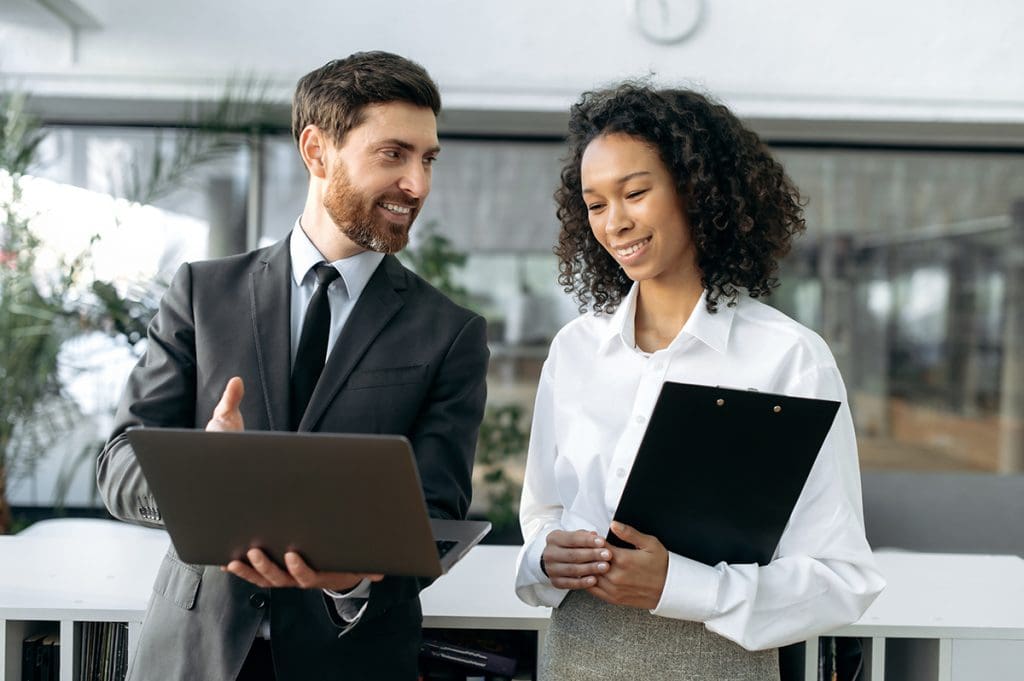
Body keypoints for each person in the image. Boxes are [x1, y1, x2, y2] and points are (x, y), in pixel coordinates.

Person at [97, 52, 489, 681]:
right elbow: (118, 464)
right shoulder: (203, 292)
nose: (417, 184)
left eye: (428, 159)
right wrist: (202, 475)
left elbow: (434, 511)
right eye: (393, 154)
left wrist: (356, 576)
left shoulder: (451, 332)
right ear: (317, 150)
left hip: (350, 658)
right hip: (196, 655)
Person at [514, 83, 886, 680]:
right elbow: (544, 511)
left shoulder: (788, 359)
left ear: (697, 190)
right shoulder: (575, 350)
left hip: (715, 662)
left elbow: (843, 577)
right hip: (575, 654)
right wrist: (545, 555)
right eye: (595, 204)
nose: (615, 223)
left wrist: (683, 585)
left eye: (635, 193)